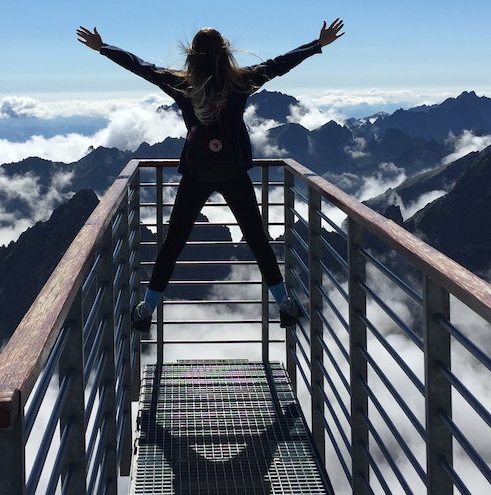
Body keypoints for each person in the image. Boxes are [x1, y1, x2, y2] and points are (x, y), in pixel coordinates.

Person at [77, 19, 345, 332]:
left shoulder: (181, 84)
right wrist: (317, 44)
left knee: (173, 242)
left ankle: (147, 308)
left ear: (191, 55)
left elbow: (142, 67)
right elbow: (280, 64)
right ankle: (284, 302)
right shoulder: (241, 82)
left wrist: (104, 48)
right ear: (225, 52)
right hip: (232, 172)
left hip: (197, 172)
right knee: (257, 239)